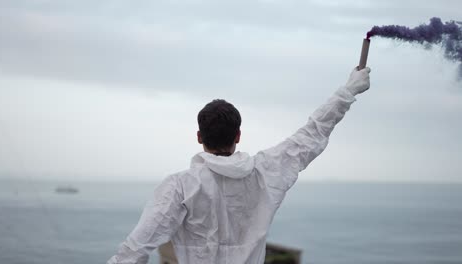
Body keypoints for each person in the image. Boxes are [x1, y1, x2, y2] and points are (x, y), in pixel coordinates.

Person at [107, 67, 371, 264]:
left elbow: (135, 250)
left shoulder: (179, 187)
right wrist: (348, 90)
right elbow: (312, 133)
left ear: (199, 137)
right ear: (238, 136)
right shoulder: (265, 172)